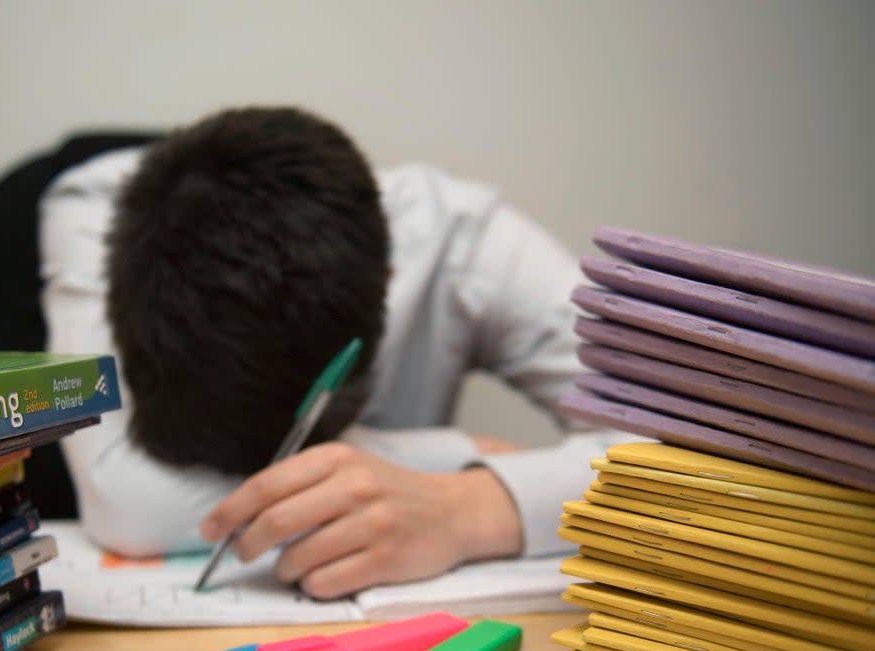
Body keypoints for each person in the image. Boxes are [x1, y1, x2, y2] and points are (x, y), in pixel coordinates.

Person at [39, 106, 627, 600]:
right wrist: (451, 455)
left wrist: (473, 509)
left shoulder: (470, 242)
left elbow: (696, 453)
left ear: (389, 287)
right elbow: (128, 500)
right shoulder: (97, 212)